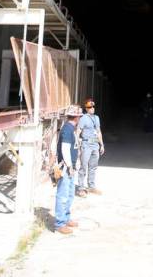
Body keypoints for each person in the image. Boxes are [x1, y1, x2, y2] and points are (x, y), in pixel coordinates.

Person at [54, 104, 82, 234]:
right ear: (76, 117)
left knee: (70, 195)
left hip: (70, 167)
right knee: (63, 195)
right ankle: (60, 224)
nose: (80, 118)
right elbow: (65, 149)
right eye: (79, 116)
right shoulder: (67, 129)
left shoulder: (71, 128)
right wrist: (70, 166)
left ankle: (66, 218)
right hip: (66, 168)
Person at [76, 97, 105, 197]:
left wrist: (101, 144)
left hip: (95, 144)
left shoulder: (96, 118)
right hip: (86, 144)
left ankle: (91, 186)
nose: (92, 108)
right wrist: (77, 144)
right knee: (83, 166)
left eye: (93, 106)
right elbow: (78, 131)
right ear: (86, 108)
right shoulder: (83, 118)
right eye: (90, 107)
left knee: (93, 167)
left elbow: (98, 131)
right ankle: (80, 188)